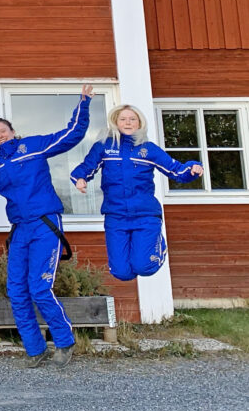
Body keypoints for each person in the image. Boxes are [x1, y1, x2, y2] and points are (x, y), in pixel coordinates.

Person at [0, 85, 94, 368]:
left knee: (40, 288)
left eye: (3, 130)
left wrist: (84, 103)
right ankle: (34, 349)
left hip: (44, 223)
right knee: (16, 290)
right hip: (20, 230)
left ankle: (64, 342)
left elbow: (71, 135)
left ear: (13, 132)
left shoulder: (34, 146)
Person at [70, 104, 203, 282]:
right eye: (123, 119)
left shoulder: (148, 149)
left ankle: (158, 245)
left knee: (144, 267)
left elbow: (175, 170)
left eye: (132, 119)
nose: (128, 122)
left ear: (139, 123)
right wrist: (80, 178)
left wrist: (192, 168)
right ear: (115, 122)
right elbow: (87, 167)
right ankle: (135, 258)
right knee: (121, 273)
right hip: (116, 216)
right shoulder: (104, 146)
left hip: (145, 215)